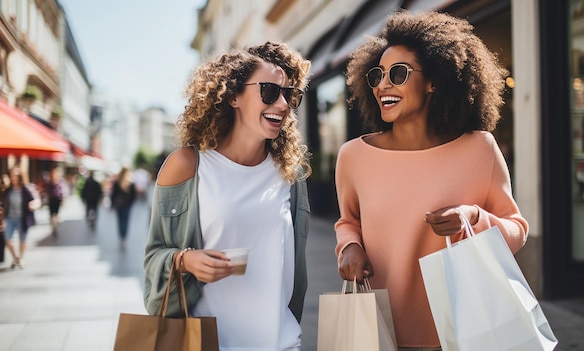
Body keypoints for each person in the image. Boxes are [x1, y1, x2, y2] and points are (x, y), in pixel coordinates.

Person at [334, 11, 529, 350]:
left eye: (398, 73)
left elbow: (517, 230)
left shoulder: (479, 148)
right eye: (378, 75)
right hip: (381, 328)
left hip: (464, 330)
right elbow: (349, 221)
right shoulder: (353, 157)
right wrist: (349, 247)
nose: (383, 85)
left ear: (433, 81)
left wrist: (473, 217)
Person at [143, 41, 312, 350]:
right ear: (233, 95)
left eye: (289, 95)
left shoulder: (289, 173)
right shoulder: (186, 166)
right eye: (270, 92)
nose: (283, 105)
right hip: (208, 343)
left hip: (282, 342)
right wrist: (185, 260)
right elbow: (154, 255)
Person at [2, 167, 37, 269]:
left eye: (15, 176)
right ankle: (15, 257)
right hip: (10, 217)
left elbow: (34, 200)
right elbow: (3, 203)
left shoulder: (25, 190)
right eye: (12, 176)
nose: (13, 178)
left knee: (23, 239)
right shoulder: (8, 190)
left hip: (22, 218)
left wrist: (32, 204)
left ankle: (20, 258)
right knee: (8, 239)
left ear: (19, 177)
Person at [110, 167, 136, 249]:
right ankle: (123, 237)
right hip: (127, 205)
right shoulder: (130, 183)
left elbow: (113, 195)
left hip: (119, 205)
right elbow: (134, 196)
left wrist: (112, 204)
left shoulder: (117, 182)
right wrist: (130, 203)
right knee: (125, 221)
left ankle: (121, 236)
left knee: (120, 221)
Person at [45, 167, 66, 237]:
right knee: (54, 214)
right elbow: (62, 191)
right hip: (54, 199)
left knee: (53, 214)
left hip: (54, 199)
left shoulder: (52, 181)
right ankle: (55, 225)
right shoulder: (57, 181)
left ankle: (54, 225)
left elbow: (47, 191)